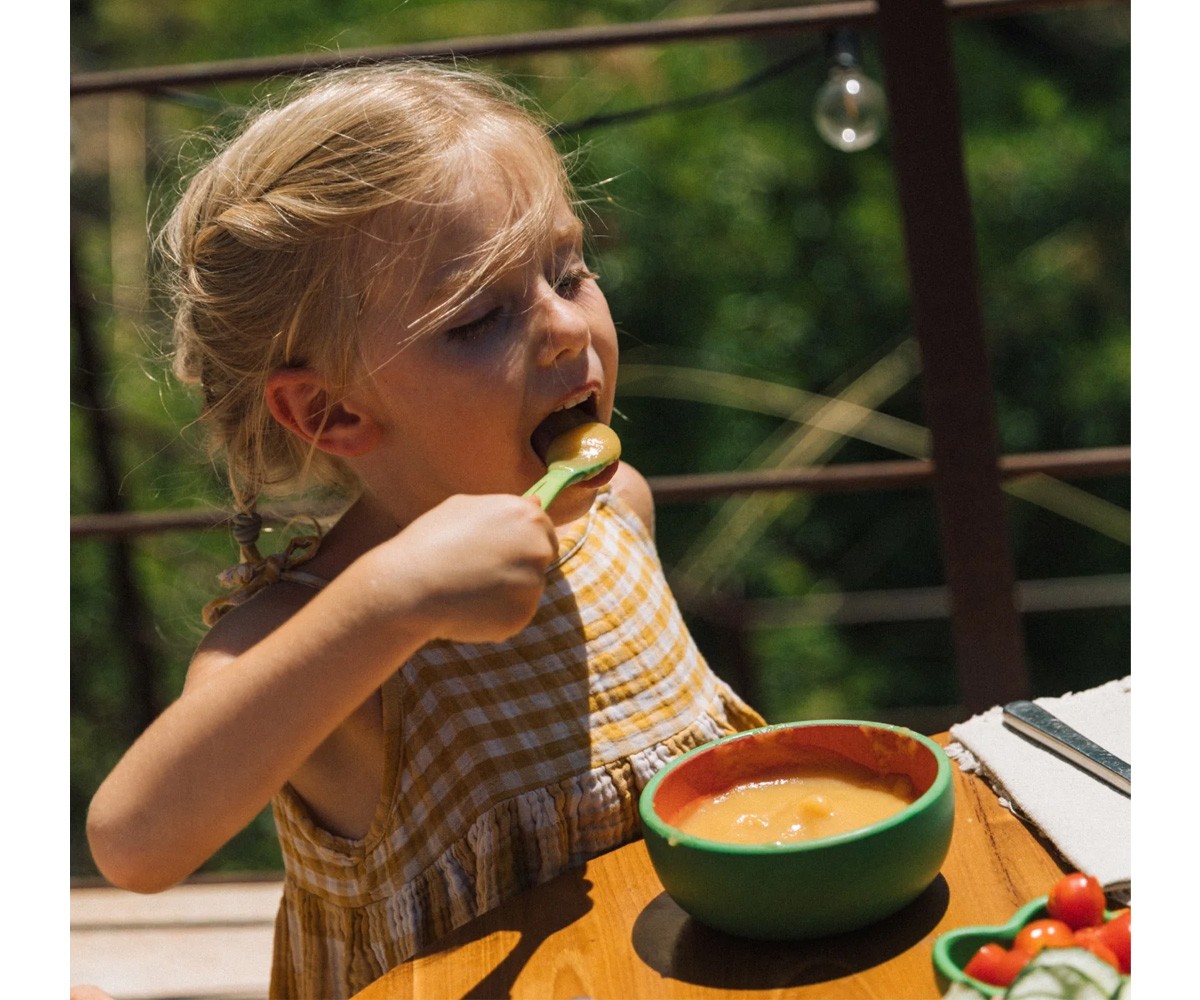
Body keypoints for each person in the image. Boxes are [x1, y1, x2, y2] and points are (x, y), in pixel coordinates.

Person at [85, 61, 764, 999]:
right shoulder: (316, 631)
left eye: (568, 271)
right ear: (329, 413)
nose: (568, 327)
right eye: (481, 317)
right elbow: (134, 843)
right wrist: (386, 606)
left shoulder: (621, 511)